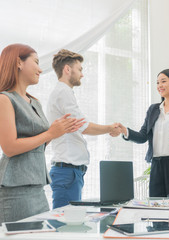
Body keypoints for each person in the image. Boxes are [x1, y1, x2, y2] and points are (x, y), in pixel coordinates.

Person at [0, 44, 84, 225]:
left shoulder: (35, 103)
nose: (40, 69)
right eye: (36, 62)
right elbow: (10, 148)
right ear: (18, 63)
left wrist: (57, 131)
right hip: (14, 193)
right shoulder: (3, 99)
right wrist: (50, 134)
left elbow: (37, 145)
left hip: (37, 189)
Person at [47, 49, 121, 209]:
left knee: (68, 224)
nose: (82, 74)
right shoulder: (63, 92)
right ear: (67, 69)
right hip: (67, 172)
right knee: (64, 227)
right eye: (79, 69)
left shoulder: (64, 92)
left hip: (70, 172)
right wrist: (110, 128)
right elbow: (84, 126)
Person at [118, 69, 169, 198]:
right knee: (156, 207)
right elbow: (143, 136)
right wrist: (125, 131)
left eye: (163, 81)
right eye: (157, 82)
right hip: (156, 165)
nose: (159, 85)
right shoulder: (153, 109)